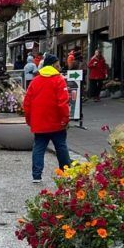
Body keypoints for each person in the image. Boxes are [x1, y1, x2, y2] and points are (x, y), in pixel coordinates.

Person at [23, 54, 72, 183]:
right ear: (54, 65)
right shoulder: (59, 80)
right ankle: (66, 172)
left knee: (39, 147)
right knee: (61, 147)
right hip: (56, 122)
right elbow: (63, 102)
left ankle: (36, 175)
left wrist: (29, 120)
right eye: (58, 64)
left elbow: (27, 103)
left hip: (39, 123)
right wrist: (65, 119)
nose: (60, 66)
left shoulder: (35, 81)